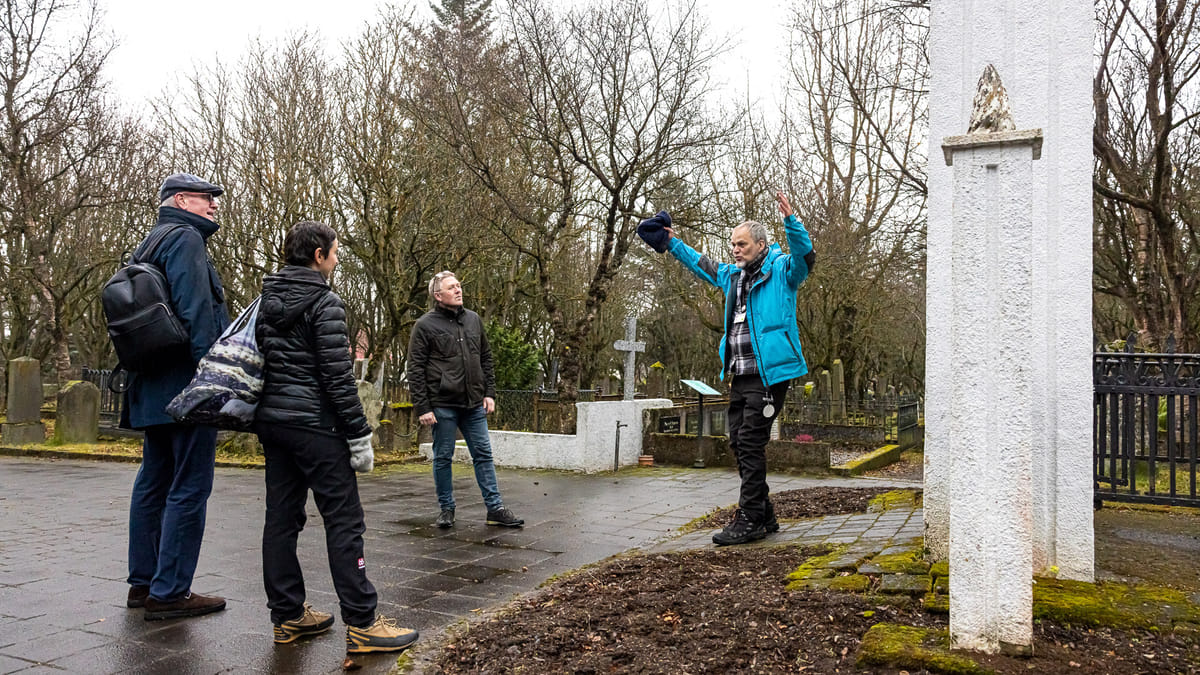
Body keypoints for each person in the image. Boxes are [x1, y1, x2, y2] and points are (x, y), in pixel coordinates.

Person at [254, 221, 418, 653]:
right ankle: (363, 623)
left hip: (274, 423)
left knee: (281, 519)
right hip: (316, 427)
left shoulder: (266, 299)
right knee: (344, 520)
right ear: (318, 256)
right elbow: (337, 378)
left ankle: (287, 616)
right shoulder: (324, 301)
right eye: (336, 251)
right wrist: (359, 434)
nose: (337, 258)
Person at [639, 191, 815, 546]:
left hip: (769, 375)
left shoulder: (782, 271)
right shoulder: (732, 276)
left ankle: (750, 518)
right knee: (737, 441)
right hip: (740, 373)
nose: (735, 249)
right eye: (733, 244)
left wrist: (791, 222)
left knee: (750, 442)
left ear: (761, 245)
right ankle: (764, 513)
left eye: (742, 244)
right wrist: (671, 243)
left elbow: (805, 257)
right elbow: (701, 264)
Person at [124, 173, 230, 620]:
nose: (214, 205)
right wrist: (211, 379)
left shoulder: (148, 243)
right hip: (186, 386)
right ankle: (170, 592)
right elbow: (196, 311)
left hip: (152, 386)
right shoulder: (186, 239)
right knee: (189, 486)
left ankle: (144, 583)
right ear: (182, 200)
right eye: (208, 198)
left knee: (153, 483)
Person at [407, 271, 524, 529]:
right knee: (443, 457)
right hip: (442, 404)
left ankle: (495, 509)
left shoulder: (473, 320)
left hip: (473, 404)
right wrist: (423, 407)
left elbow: (486, 358)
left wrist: (489, 393)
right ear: (438, 295)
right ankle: (446, 509)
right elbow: (415, 368)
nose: (458, 290)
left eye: (459, 285)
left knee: (483, 454)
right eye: (452, 287)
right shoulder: (425, 325)